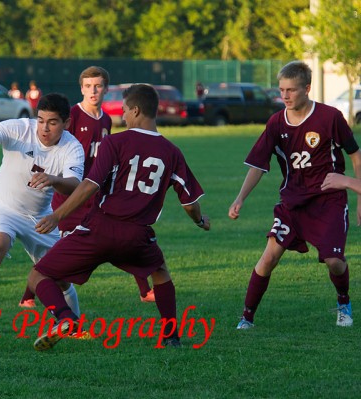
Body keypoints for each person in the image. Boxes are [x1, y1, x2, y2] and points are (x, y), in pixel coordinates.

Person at [26, 84, 210, 351]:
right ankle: (171, 337)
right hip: (138, 235)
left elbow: (90, 184)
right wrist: (199, 221)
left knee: (37, 275)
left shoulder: (116, 141)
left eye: (125, 110)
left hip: (100, 227)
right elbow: (190, 203)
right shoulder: (172, 152)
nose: (123, 116)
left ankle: (66, 319)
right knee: (160, 273)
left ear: (135, 110)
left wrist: (57, 215)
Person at [229, 61, 361, 329]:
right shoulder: (276, 123)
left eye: (291, 90)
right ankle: (247, 317)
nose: (285, 96)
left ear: (307, 88)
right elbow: (258, 164)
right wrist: (240, 198)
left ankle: (344, 303)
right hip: (292, 203)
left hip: (328, 203)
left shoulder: (330, 117)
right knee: (268, 259)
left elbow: (356, 155)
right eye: (281, 90)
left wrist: (356, 193)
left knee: (335, 262)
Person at [0, 93, 85, 344]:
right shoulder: (20, 128)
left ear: (66, 123)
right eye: (41, 119)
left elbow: (74, 184)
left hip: (40, 218)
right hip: (1, 206)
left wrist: (53, 180)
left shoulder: (72, 147)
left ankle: (73, 325)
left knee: (61, 278)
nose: (44, 128)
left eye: (52, 122)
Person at [18, 66, 154, 308]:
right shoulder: (72, 115)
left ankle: (145, 290)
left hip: (95, 192)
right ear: (81, 88)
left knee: (124, 231)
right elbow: (52, 144)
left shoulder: (105, 119)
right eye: (88, 86)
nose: (93, 90)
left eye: (98, 85)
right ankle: (29, 295)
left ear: (105, 89)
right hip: (71, 194)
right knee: (61, 250)